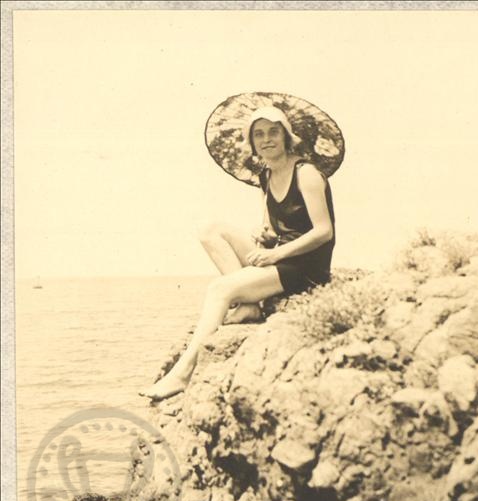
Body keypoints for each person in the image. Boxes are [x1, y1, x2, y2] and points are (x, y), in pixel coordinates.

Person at [139, 106, 336, 401]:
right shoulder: (266, 176)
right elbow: (272, 226)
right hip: (280, 255)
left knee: (220, 289)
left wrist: (274, 255)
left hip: (306, 266)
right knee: (209, 229)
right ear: (252, 142)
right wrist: (265, 235)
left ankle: (182, 375)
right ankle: (250, 306)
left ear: (286, 135)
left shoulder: (306, 173)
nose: (266, 139)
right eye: (259, 134)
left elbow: (324, 232)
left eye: (273, 131)